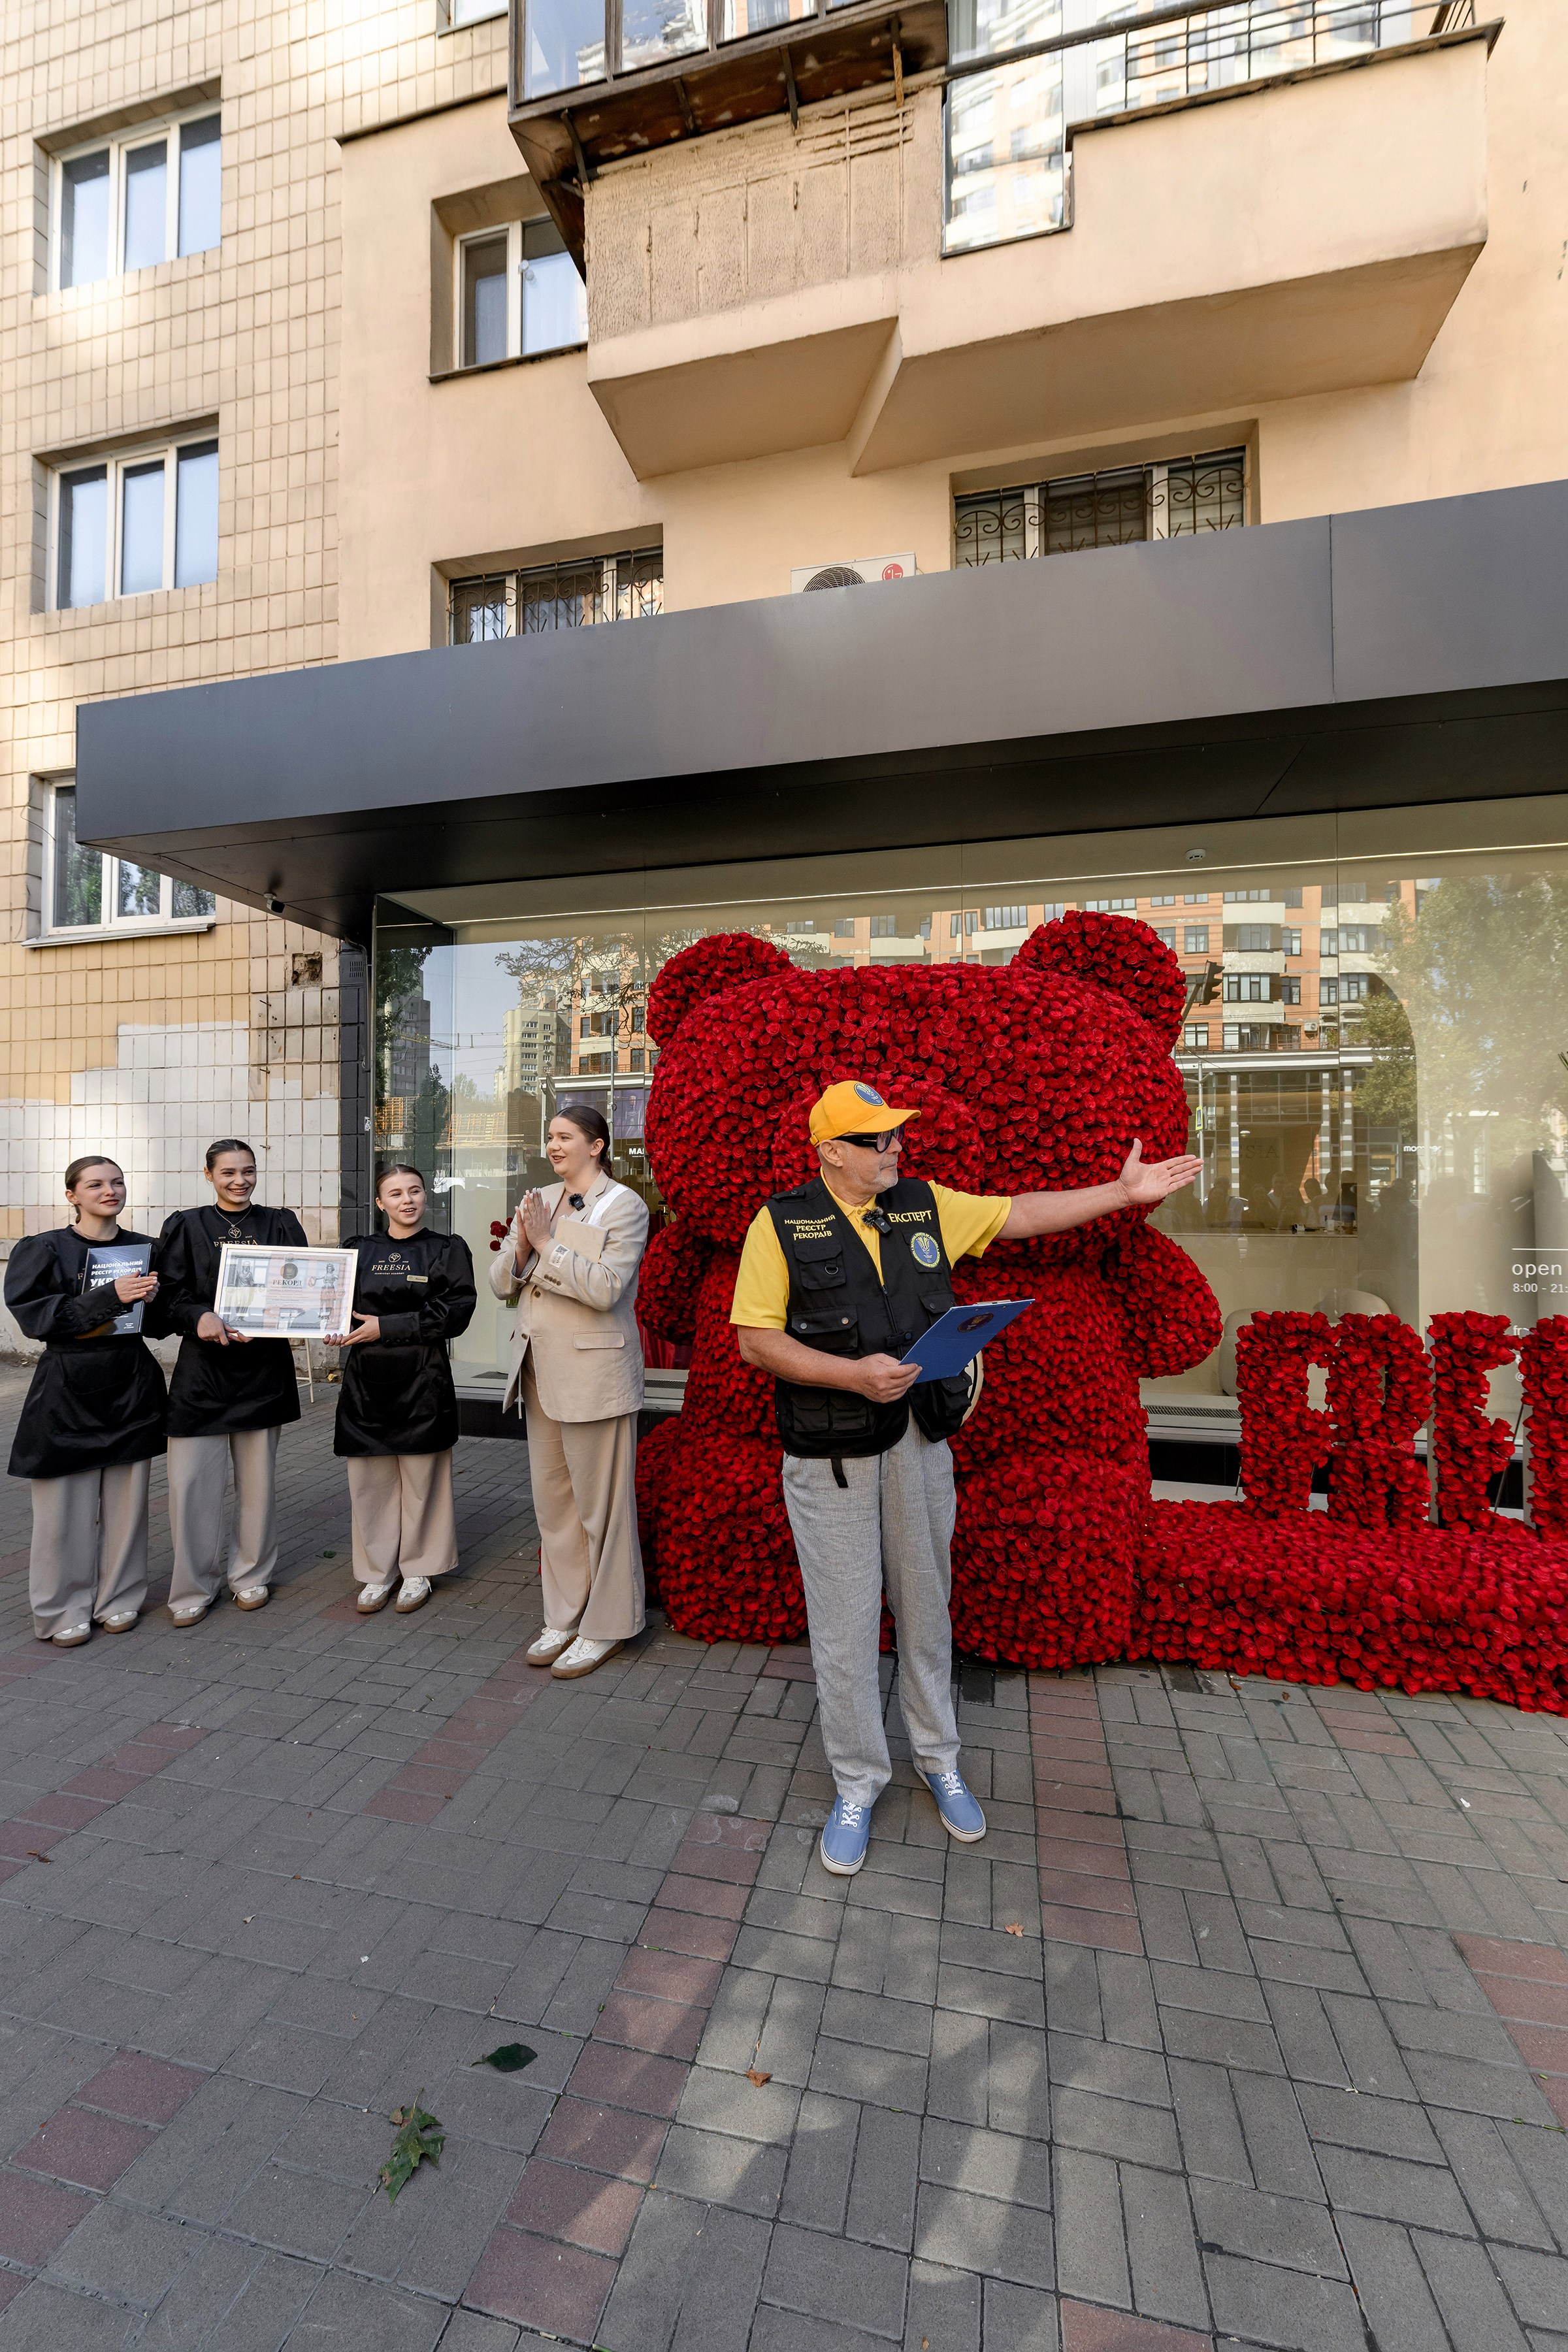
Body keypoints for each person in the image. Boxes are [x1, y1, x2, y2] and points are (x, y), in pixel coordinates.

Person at [732, 1081, 1203, 1876]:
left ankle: (938, 1758)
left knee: (926, 1608)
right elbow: (755, 1341)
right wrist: (852, 1377)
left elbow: (1018, 1212)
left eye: (895, 1137)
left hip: (919, 1445)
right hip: (831, 1459)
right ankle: (856, 1783)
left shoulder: (923, 1203)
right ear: (830, 1153)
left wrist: (1122, 1194)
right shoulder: (778, 1223)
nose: (895, 1148)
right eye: (876, 1140)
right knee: (844, 1630)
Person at [491, 1105, 648, 1680]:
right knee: (555, 1509)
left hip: (595, 1379)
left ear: (597, 1145)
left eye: (565, 1137)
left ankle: (606, 1626)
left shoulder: (624, 1205)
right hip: (538, 1373)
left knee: (602, 1512)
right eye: (550, 1138)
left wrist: (545, 1243)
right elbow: (501, 1281)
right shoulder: (537, 1198)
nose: (553, 1146)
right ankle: (564, 1615)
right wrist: (525, 1248)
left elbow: (607, 1290)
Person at [4, 1157, 165, 1645]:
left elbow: (160, 1325)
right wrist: (109, 1294)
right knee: (63, 1514)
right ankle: (59, 1609)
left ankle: (119, 1599)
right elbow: (37, 1319)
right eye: (95, 1184)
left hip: (130, 1384)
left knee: (126, 1507)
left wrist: (158, 1304)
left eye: (116, 1182)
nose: (109, 1191)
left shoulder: (147, 1248)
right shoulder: (44, 1248)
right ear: (72, 1195)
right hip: (67, 1388)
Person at [152, 1139, 310, 1625]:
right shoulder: (186, 1225)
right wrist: (197, 1314)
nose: (240, 1181)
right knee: (192, 1487)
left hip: (263, 1371)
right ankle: (193, 1588)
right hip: (203, 1374)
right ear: (208, 1175)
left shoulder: (280, 1222)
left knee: (258, 1486)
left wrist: (316, 1314)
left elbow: (304, 1284)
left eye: (248, 1171)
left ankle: (251, 1576)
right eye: (228, 1173)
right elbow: (166, 1297)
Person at [331, 1164, 476, 1614]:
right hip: (366, 1382)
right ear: (380, 1204)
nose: (407, 1200)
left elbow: (456, 1312)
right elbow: (333, 1302)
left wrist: (387, 1326)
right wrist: (330, 1327)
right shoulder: (356, 1251)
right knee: (370, 1484)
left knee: (423, 1482)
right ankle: (377, 1573)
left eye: (414, 1190)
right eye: (395, 1194)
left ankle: (419, 1569)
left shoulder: (447, 1249)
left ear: (425, 1196)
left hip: (423, 1379)